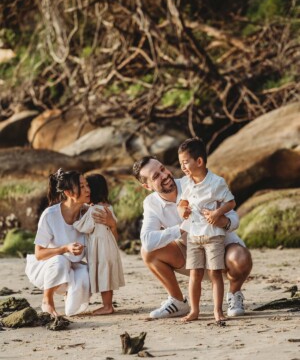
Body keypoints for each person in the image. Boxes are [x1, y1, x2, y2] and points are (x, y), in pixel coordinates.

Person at [132, 156, 252, 319]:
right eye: (156, 176)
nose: (165, 175)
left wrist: (222, 220)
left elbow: (234, 218)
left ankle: (234, 293)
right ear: (147, 186)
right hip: (192, 255)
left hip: (222, 252)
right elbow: (147, 240)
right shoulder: (151, 203)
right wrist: (182, 228)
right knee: (148, 252)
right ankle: (178, 301)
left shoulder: (195, 182)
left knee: (241, 258)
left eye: (162, 169)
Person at [177, 138, 235, 323]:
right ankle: (194, 310)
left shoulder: (216, 182)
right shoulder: (187, 183)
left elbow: (231, 202)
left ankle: (218, 311)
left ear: (199, 161)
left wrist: (217, 213)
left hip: (213, 235)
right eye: (181, 163)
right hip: (194, 235)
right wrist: (182, 210)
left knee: (215, 273)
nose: (183, 167)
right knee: (195, 273)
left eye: (186, 162)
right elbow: (182, 202)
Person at [25, 169, 91, 317]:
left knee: (89, 273)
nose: (87, 189)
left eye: (87, 185)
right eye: (82, 186)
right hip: (48, 267)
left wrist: (111, 224)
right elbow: (39, 254)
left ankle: (69, 294)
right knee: (61, 261)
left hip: (74, 267)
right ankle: (47, 300)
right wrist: (65, 248)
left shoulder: (88, 213)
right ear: (68, 192)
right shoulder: (50, 215)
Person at [74, 174, 125, 315]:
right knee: (106, 275)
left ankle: (107, 306)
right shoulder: (108, 207)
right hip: (110, 247)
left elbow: (83, 227)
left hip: (100, 249)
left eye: (88, 186)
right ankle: (107, 305)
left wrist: (74, 221)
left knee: (103, 275)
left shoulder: (93, 210)